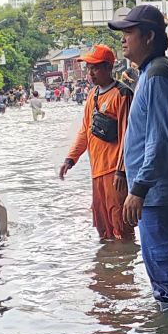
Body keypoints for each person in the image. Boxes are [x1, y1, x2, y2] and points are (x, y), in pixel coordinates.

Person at [109, 4, 168, 309]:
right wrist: (124, 173)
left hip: (159, 196)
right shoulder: (150, 72)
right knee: (163, 278)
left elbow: (159, 141)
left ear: (148, 37)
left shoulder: (157, 74)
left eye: (128, 32)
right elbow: (149, 134)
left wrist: (140, 188)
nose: (123, 39)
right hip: (159, 193)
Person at [60, 44, 133, 241]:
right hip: (97, 172)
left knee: (121, 227)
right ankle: (106, 269)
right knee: (102, 228)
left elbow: (129, 135)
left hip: (114, 173)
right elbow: (85, 130)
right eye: (88, 68)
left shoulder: (122, 94)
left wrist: (121, 170)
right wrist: (70, 158)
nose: (90, 73)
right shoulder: (92, 95)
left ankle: (124, 269)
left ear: (109, 68)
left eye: (95, 67)